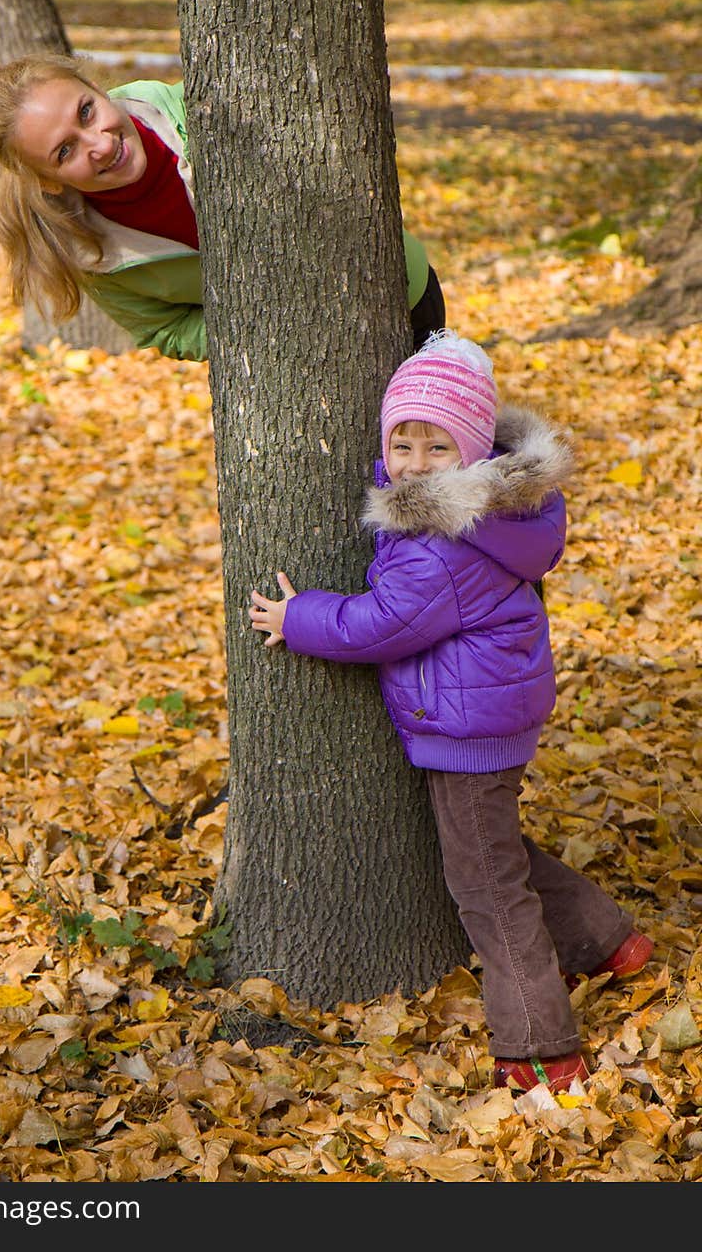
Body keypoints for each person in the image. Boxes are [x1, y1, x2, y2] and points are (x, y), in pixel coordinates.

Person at [248, 329, 654, 1093]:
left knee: (487, 886)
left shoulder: (442, 540)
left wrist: (297, 617)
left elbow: (385, 623)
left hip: (466, 727)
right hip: (488, 714)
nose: (415, 463)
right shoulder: (491, 516)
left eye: (438, 448)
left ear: (471, 454)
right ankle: (610, 942)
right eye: (403, 444)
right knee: (495, 852)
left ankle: (541, 1048)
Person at [0, 53, 446, 363]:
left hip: (399, 294)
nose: (98, 144)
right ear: (48, 184)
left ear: (98, 89)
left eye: (87, 112)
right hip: (307, 364)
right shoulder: (90, 254)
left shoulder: (200, 110)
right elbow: (167, 328)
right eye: (64, 152)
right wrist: (253, 329)